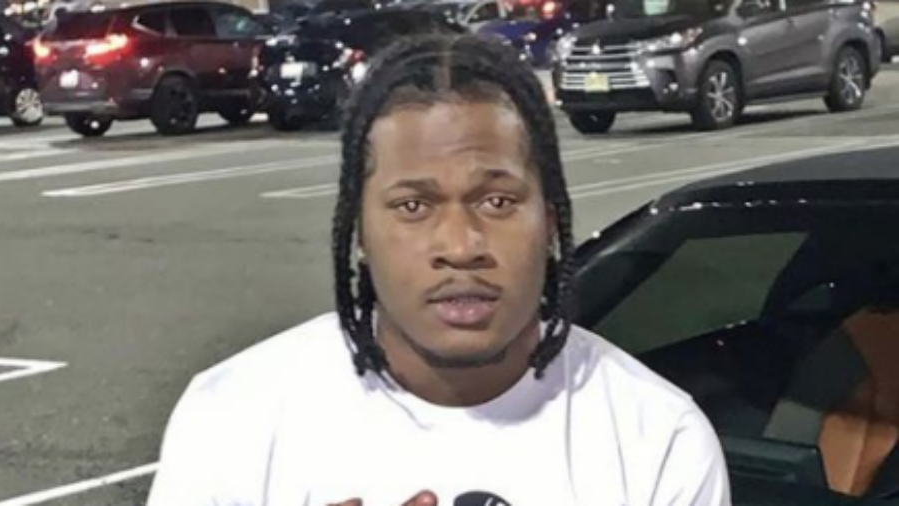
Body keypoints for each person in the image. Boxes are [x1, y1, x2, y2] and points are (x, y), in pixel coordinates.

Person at [146, 33, 731, 506]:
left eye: (497, 201)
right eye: (413, 206)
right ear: (360, 233)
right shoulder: (232, 416)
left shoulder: (658, 438)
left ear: (550, 223)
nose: (460, 245)